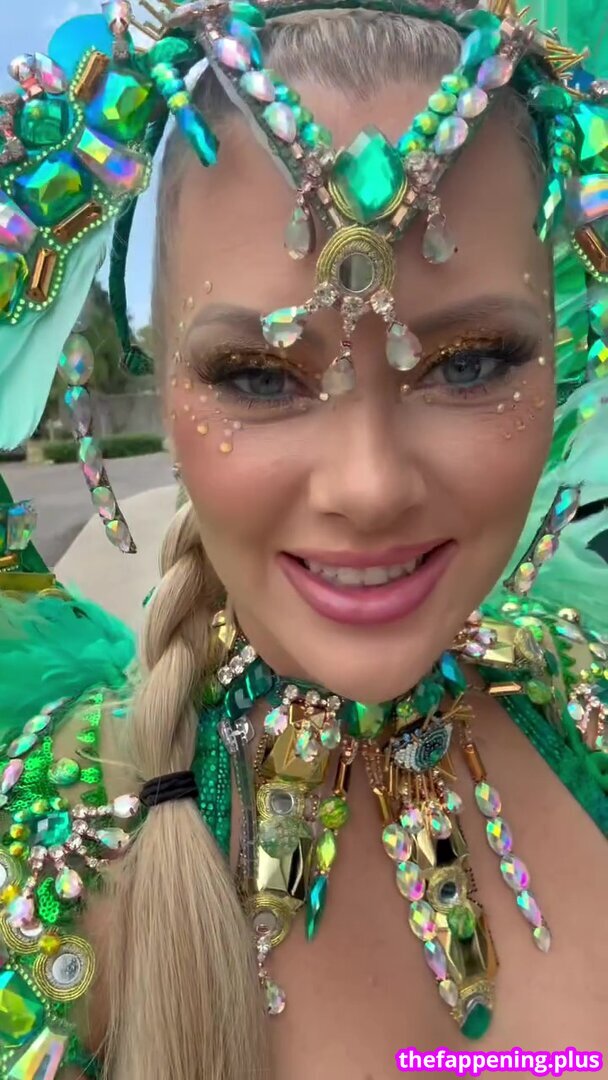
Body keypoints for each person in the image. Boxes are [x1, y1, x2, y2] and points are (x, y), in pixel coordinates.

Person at [0, 1, 606, 1077]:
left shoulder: (588, 699)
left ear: (561, 357)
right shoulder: (44, 872)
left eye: (469, 363)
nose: (369, 488)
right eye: (257, 376)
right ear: (164, 379)